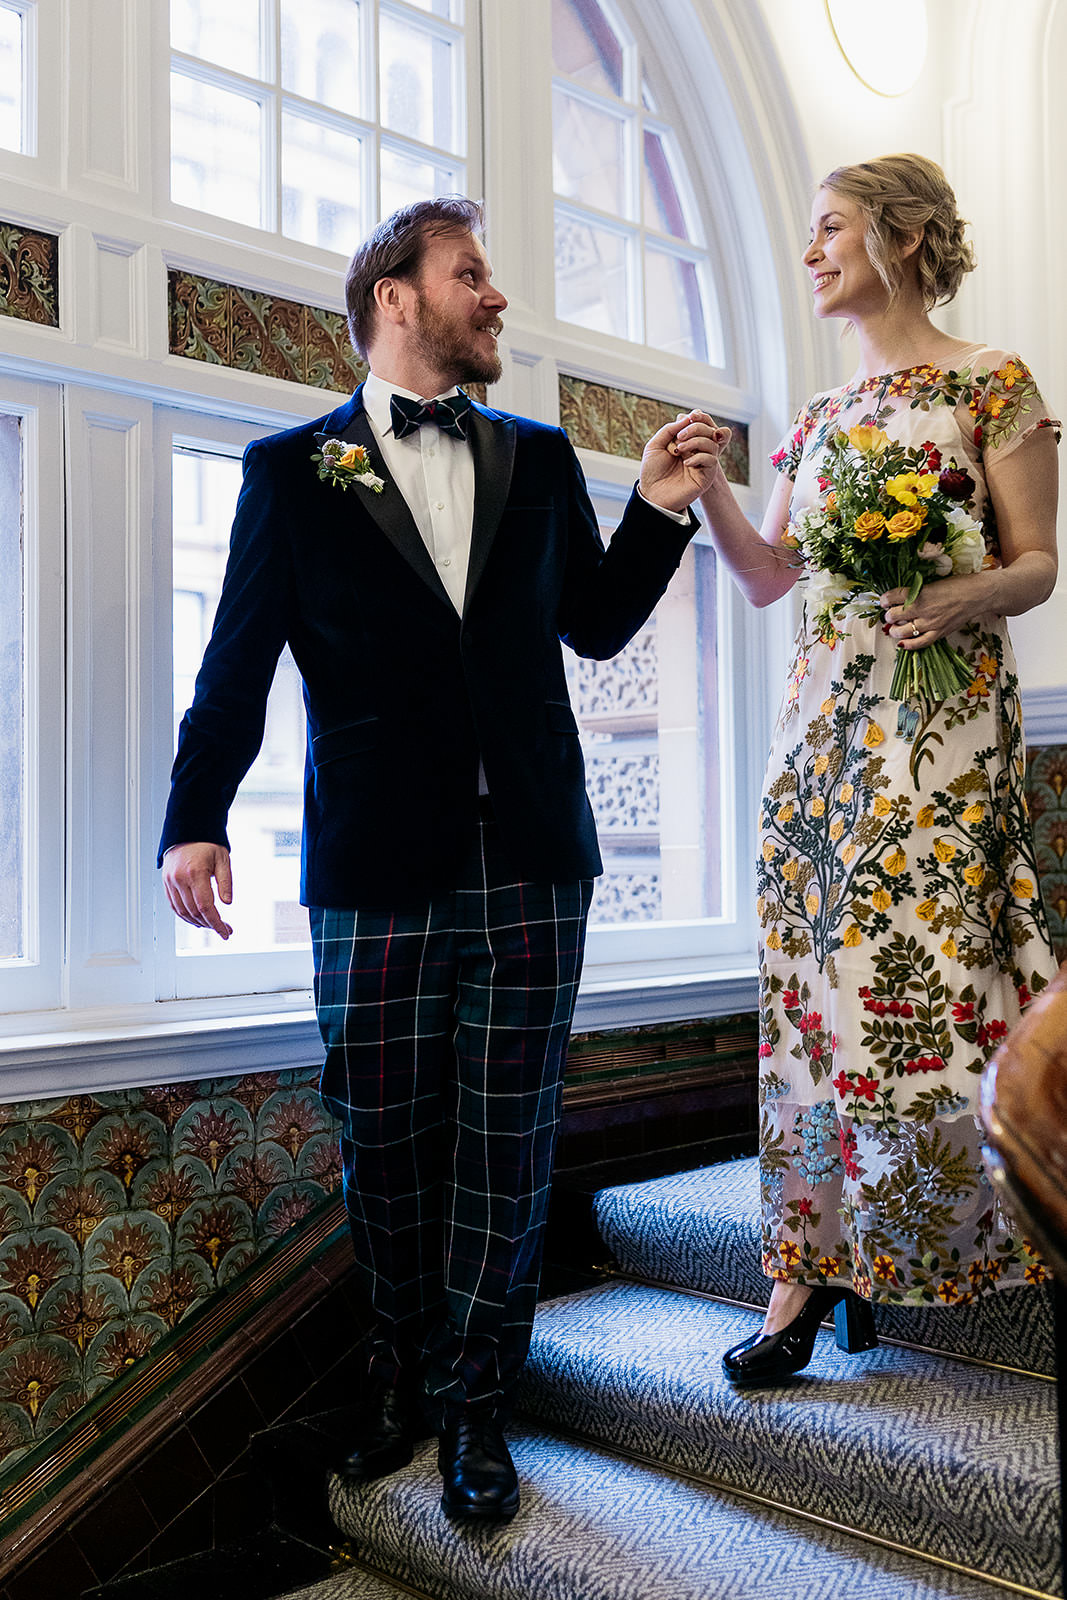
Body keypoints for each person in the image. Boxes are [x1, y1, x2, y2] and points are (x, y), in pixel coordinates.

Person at [158, 197, 719, 1518]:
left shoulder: (536, 457)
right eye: (472, 273)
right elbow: (236, 661)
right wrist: (194, 815)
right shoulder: (294, 472)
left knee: (505, 1141)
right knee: (384, 1137)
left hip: (532, 856)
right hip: (374, 865)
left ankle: (476, 1402)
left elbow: (593, 625)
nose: (496, 295)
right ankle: (399, 1373)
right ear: (395, 298)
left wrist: (652, 509)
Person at [693, 154, 1060, 1385]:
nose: (809, 252)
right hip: (820, 741)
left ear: (898, 237)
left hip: (942, 731)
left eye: (829, 228)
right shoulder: (812, 417)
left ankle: (1002, 1217)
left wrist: (961, 593)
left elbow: (1036, 564)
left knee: (938, 969)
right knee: (813, 987)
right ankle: (803, 1268)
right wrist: (708, 493)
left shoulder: (991, 383)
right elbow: (766, 578)